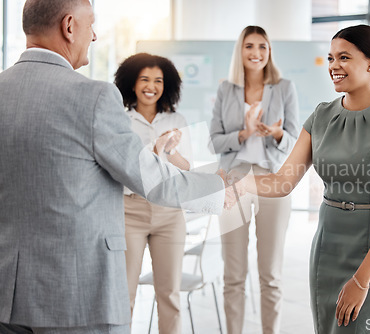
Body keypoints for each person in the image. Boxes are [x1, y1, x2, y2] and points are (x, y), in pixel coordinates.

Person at [0, 1, 235, 333]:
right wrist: (217, 187)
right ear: (69, 26)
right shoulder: (93, 97)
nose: (94, 36)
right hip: (76, 295)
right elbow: (152, 179)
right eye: (90, 25)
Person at [236, 24, 370, 333]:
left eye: (344, 57)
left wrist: (362, 281)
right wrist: (238, 182)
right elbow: (283, 182)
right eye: (331, 58)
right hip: (328, 245)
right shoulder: (321, 116)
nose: (334, 66)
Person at [209, 25, 300, 334]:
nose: (256, 52)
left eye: (262, 46)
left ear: (269, 51)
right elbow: (215, 142)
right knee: (233, 273)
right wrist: (245, 133)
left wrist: (275, 133)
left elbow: (294, 140)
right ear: (241, 50)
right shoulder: (226, 89)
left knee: (270, 273)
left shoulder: (285, 87)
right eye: (250, 46)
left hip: (273, 181)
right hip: (234, 180)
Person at [114, 53, 191, 334]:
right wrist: (154, 149)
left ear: (166, 85)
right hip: (129, 211)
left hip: (169, 212)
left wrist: (170, 151)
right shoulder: (120, 121)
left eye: (158, 80)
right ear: (131, 84)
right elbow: (122, 167)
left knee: (169, 294)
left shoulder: (177, 119)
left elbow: (187, 168)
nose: (151, 86)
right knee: (124, 294)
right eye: (144, 79)